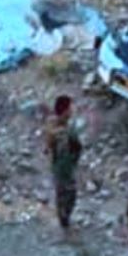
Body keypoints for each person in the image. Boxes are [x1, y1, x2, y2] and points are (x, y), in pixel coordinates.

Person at [45, 95, 83, 233]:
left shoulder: (64, 126)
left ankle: (64, 219)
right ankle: (64, 220)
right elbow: (52, 143)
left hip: (66, 165)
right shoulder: (58, 129)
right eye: (70, 109)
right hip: (62, 166)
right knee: (66, 193)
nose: (72, 111)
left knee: (66, 193)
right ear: (65, 110)